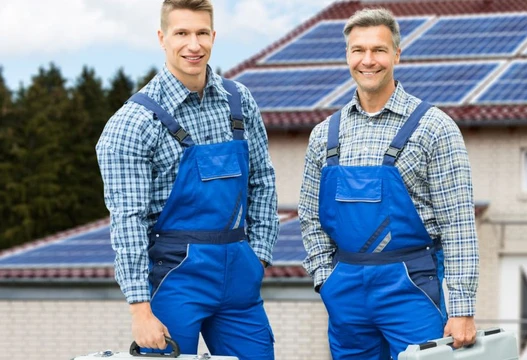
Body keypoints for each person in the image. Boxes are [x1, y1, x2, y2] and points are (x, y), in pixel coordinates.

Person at [95, 1, 278, 359]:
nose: (193, 45)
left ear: (213, 36)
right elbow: (128, 221)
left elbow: (263, 182)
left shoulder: (240, 102)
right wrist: (139, 309)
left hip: (240, 276)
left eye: (201, 33)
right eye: (181, 33)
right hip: (175, 280)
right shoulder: (131, 124)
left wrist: (259, 257)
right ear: (162, 38)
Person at [299, 7, 479, 359]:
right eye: (358, 50)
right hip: (346, 290)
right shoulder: (325, 135)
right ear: (347, 56)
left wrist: (461, 308)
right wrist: (327, 278)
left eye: (379, 50)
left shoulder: (435, 128)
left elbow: (458, 224)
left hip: (410, 285)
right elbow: (309, 215)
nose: (368, 60)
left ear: (397, 53)